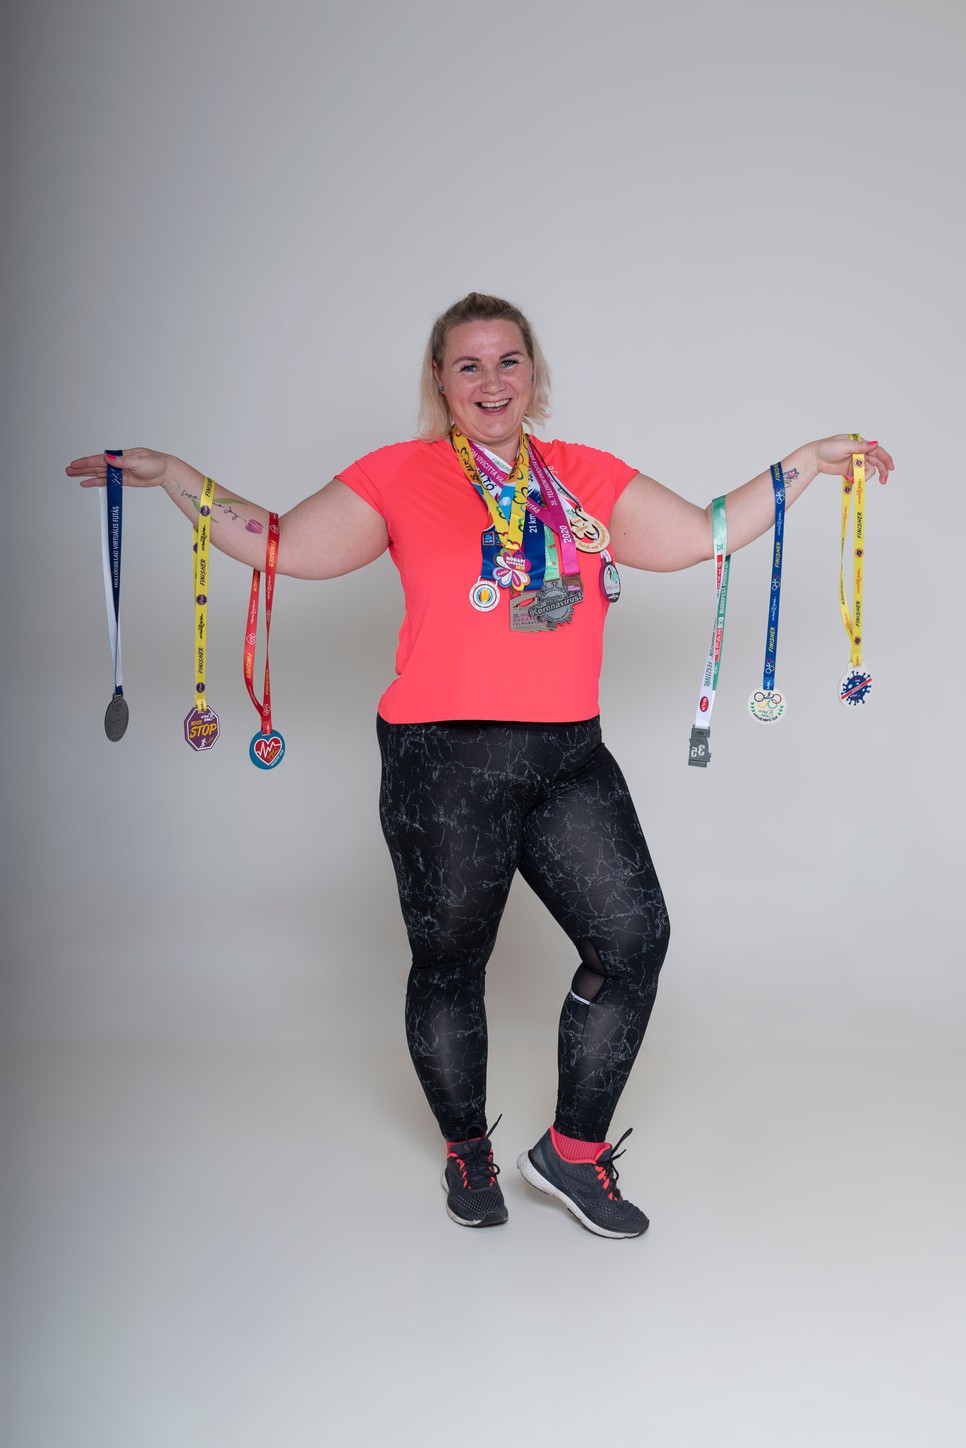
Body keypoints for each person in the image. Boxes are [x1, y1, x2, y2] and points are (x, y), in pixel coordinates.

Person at [67, 291, 894, 1239]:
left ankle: (572, 1153)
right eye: (469, 365)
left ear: (533, 372)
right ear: (440, 380)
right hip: (443, 761)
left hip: (569, 755)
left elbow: (702, 532)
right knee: (452, 964)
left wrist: (809, 462)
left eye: (509, 361)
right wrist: (176, 477)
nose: (492, 381)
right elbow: (280, 544)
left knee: (633, 942)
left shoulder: (584, 474)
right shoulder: (398, 474)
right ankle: (467, 1148)